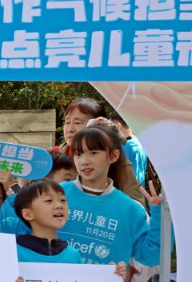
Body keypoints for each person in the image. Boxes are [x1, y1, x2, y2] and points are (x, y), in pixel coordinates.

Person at [60, 122, 162, 270]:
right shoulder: (56, 194)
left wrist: (159, 215)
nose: (84, 161)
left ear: (113, 156)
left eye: (93, 153)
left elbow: (151, 256)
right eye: (78, 154)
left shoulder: (129, 209)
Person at [54, 98, 143, 203]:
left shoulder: (116, 161)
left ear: (98, 125)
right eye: (67, 122)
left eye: (77, 123)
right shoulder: (54, 157)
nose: (70, 129)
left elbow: (136, 205)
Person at [111, 111, 148, 188]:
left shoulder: (126, 146)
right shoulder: (138, 141)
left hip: (128, 189)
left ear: (118, 126)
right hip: (140, 188)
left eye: (111, 126)